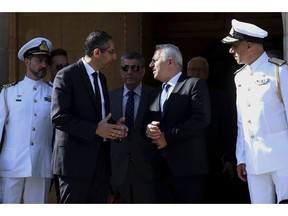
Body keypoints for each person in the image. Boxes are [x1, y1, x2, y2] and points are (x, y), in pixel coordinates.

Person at [51, 30, 128, 203]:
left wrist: (116, 128)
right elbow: (58, 117)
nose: (115, 57)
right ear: (96, 52)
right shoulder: (66, 75)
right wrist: (95, 129)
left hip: (99, 165)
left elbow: (101, 118)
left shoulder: (102, 79)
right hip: (74, 166)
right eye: (112, 52)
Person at [222, 19, 288, 204]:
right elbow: (242, 121)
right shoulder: (240, 77)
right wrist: (241, 157)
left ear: (249, 45)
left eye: (234, 46)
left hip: (283, 158)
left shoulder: (279, 70)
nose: (231, 50)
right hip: (254, 159)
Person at [145, 44, 211, 203]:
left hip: (187, 169)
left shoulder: (194, 84)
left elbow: (201, 119)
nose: (151, 65)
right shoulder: (154, 93)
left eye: (155, 60)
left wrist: (167, 137)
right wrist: (148, 130)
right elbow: (146, 123)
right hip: (160, 170)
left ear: (170, 62)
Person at [0, 37, 54, 203]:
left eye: (46, 61)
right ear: (26, 61)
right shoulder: (9, 92)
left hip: (41, 163)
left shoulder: (54, 93)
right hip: (12, 164)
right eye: (39, 60)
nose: (43, 65)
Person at [187, 56, 247, 203]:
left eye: (201, 70)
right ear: (186, 72)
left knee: (213, 194)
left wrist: (229, 158)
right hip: (186, 156)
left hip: (213, 155)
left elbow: (227, 126)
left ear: (207, 73)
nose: (196, 73)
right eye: (192, 70)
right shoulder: (178, 93)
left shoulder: (219, 96)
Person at [109, 52, 156, 203]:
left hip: (147, 170)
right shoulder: (109, 97)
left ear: (143, 71)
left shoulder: (156, 95)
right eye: (125, 68)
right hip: (117, 171)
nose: (129, 72)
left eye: (134, 68)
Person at [48, 48, 69, 203]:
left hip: (63, 159)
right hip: (42, 158)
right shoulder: (41, 92)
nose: (63, 71)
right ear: (50, 68)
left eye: (66, 66)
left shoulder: (72, 92)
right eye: (59, 67)